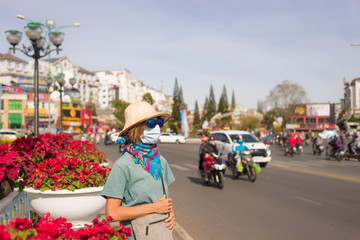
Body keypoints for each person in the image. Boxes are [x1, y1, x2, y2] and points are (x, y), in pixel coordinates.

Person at [101, 101, 175, 240]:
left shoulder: (160, 161)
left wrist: (170, 213)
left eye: (159, 123)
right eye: (151, 124)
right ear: (135, 129)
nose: (157, 128)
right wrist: (154, 208)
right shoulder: (122, 166)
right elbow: (112, 214)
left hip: (161, 232)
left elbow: (163, 198)